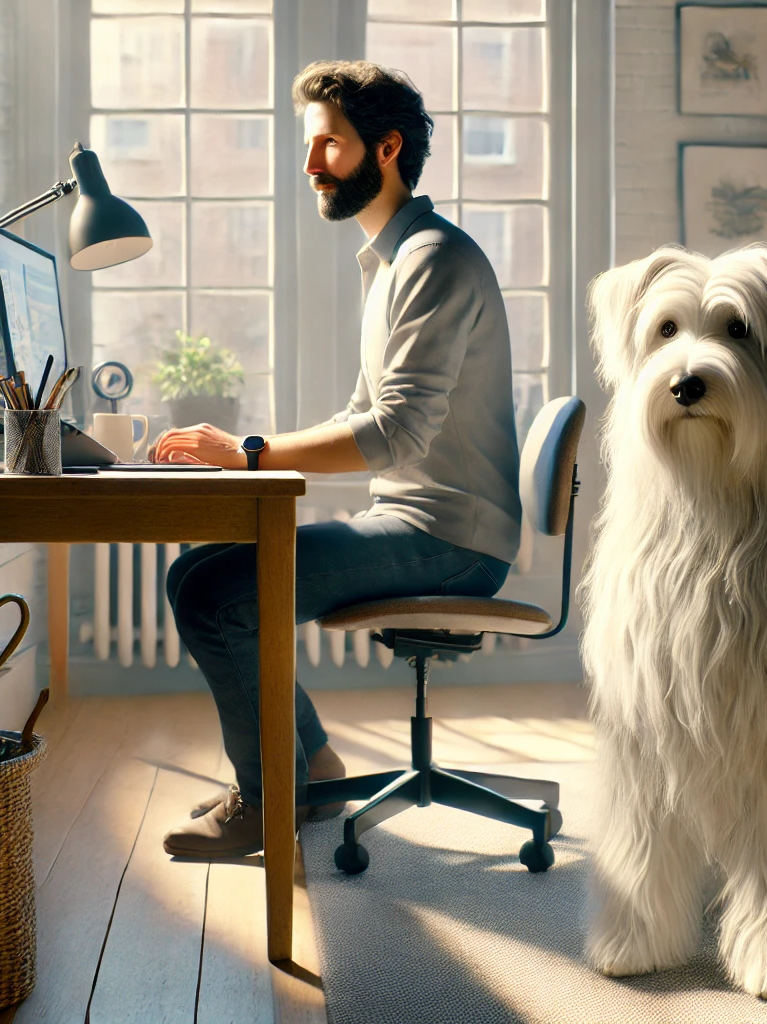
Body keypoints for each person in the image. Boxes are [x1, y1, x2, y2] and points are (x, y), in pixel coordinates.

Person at [157, 60, 523, 857]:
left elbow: (390, 435)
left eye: (329, 145)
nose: (310, 164)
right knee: (196, 573)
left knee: (217, 593)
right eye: (311, 146)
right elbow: (364, 414)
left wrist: (249, 455)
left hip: (452, 541)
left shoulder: (430, 260)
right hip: (418, 521)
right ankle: (314, 769)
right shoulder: (393, 260)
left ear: (384, 148)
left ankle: (272, 800)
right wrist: (247, 448)